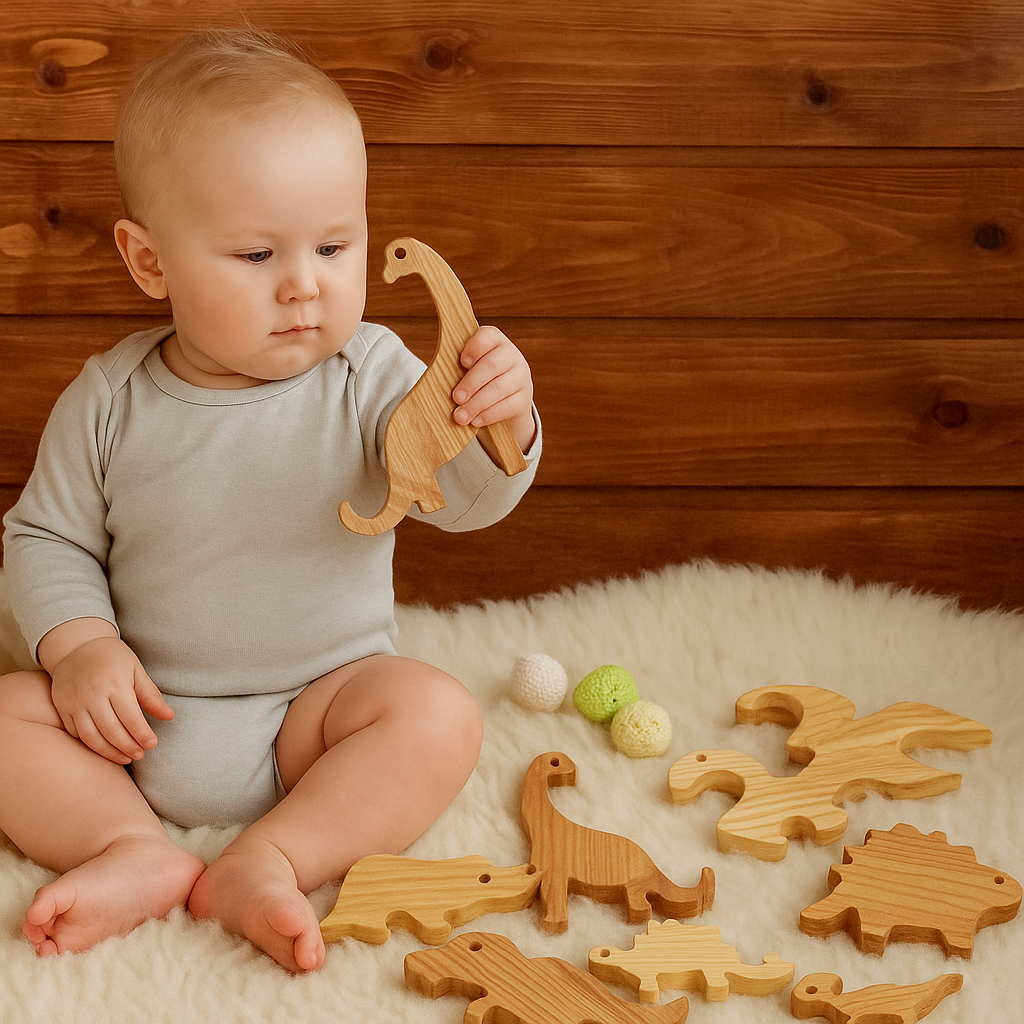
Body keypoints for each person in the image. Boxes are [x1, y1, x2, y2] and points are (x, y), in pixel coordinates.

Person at [0, 27, 540, 973]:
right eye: (256, 255)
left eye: (335, 245)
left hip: (314, 713)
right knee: (5, 714)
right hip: (132, 721)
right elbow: (45, 537)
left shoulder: (373, 374)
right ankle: (126, 847)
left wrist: (504, 423)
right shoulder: (111, 399)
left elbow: (462, 501)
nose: (304, 286)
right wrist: (82, 649)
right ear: (150, 261)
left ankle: (273, 856)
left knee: (437, 712)